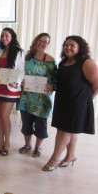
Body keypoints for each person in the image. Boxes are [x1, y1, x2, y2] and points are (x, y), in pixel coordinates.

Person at [42, 36, 98, 171]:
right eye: (66, 45)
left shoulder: (86, 62)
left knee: (63, 131)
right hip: (63, 101)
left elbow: (96, 83)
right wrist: (52, 87)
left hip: (77, 103)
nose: (68, 47)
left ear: (80, 47)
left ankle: (54, 159)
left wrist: (87, 99)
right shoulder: (64, 62)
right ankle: (70, 156)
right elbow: (60, 81)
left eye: (72, 45)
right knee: (71, 131)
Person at [18, 33, 57, 157]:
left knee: (41, 125)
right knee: (26, 123)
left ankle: (38, 147)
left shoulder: (51, 60)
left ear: (48, 44)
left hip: (42, 100)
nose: (42, 43)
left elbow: (55, 79)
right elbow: (19, 73)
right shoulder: (27, 57)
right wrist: (21, 80)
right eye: (40, 40)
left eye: (45, 42)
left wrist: (52, 86)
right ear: (36, 41)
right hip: (26, 97)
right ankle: (27, 144)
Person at [0, 27, 25, 156]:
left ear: (12, 37)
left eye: (7, 36)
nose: (4, 38)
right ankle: (0, 142)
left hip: (10, 88)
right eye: (2, 36)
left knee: (4, 116)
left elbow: (21, 71)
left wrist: (17, 82)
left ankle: (7, 143)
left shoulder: (19, 52)